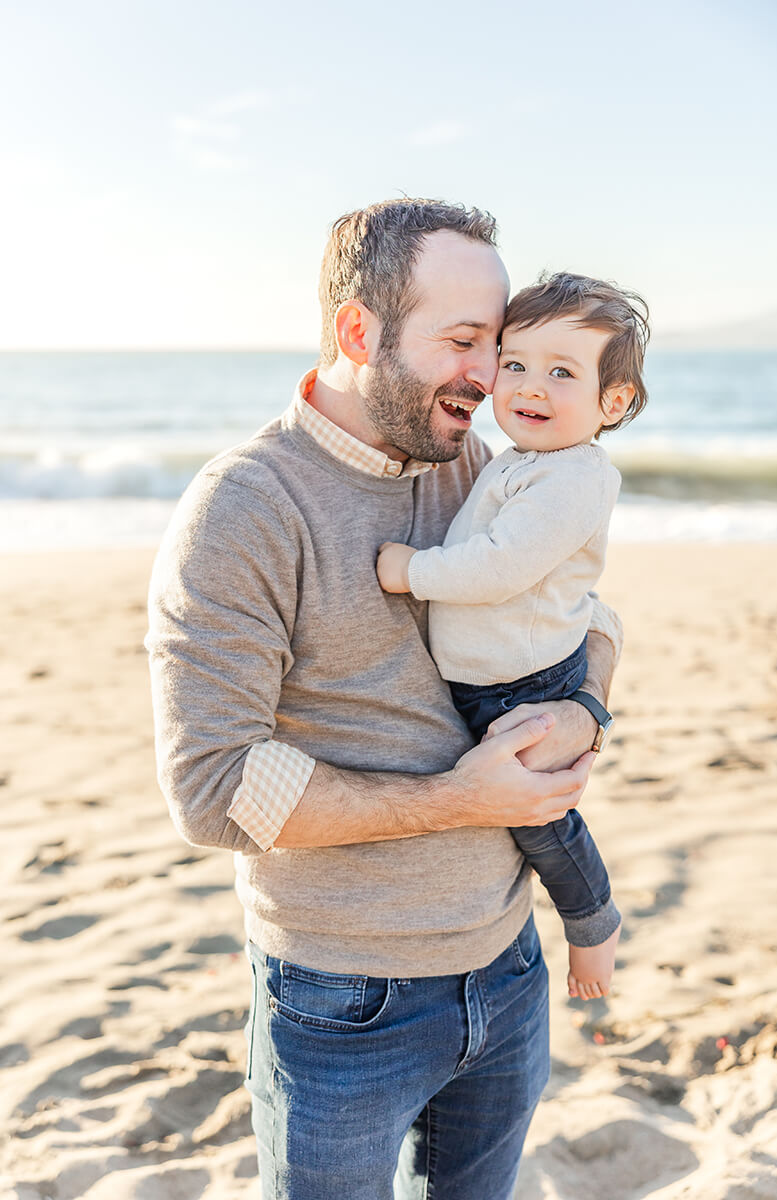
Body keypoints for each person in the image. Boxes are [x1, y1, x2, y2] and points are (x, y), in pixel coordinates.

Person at [146, 199, 623, 1200]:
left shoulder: (477, 465)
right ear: (358, 333)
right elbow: (213, 788)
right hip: (340, 1006)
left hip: (507, 966)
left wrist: (584, 712)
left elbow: (587, 615)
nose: (489, 379)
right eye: (460, 344)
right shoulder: (244, 509)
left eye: (494, 346)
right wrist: (461, 798)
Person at [377, 272, 650, 1002]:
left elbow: (501, 567)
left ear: (612, 402)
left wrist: (413, 571)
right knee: (518, 811)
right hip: (498, 673)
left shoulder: (573, 477)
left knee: (539, 817)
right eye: (517, 362)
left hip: (520, 682)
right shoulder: (530, 460)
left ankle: (592, 922)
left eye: (563, 372)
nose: (530, 386)